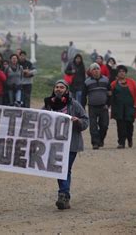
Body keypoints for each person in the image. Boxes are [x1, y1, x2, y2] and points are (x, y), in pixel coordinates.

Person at [43, 80, 89, 210]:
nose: (58, 89)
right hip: (54, 144)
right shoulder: (48, 104)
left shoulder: (74, 104)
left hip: (71, 144)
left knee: (65, 169)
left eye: (61, 87)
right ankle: (64, 197)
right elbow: (39, 119)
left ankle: (63, 195)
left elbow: (86, 122)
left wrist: (78, 121)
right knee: (59, 169)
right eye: (56, 87)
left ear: (66, 90)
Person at [110, 65, 136, 149]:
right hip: (118, 108)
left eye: (123, 71)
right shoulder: (114, 83)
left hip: (130, 108)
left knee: (129, 125)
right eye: (120, 71)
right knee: (120, 126)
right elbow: (110, 95)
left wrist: (135, 104)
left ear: (125, 73)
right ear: (117, 73)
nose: (122, 73)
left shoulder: (132, 82)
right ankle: (121, 142)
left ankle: (129, 139)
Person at [85, 63, 110, 150]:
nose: (96, 71)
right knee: (93, 126)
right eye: (94, 69)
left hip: (104, 106)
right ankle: (95, 143)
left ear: (100, 70)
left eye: (97, 69)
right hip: (92, 107)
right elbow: (84, 95)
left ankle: (100, 139)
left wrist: (108, 104)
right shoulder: (87, 82)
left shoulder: (106, 80)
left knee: (104, 125)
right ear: (91, 71)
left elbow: (110, 93)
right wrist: (82, 106)